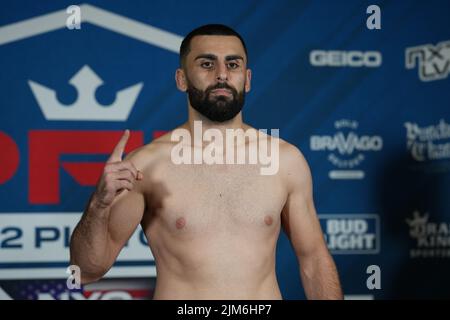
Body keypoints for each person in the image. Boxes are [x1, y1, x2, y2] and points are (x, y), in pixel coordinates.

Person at [70, 24, 343, 300]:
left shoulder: (285, 161)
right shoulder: (148, 165)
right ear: (181, 79)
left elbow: (314, 261)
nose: (222, 74)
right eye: (206, 63)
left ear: (247, 79)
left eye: (232, 64)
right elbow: (86, 270)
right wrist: (99, 204)